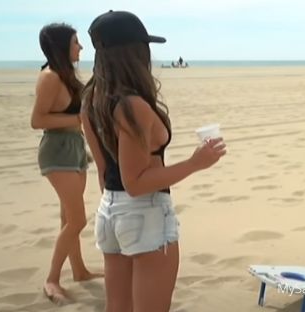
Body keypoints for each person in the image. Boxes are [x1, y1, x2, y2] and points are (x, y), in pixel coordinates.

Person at [82, 10, 226, 311]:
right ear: (134, 52)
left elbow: (106, 170)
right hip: (143, 213)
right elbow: (135, 183)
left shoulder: (92, 98)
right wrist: (195, 163)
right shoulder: (132, 105)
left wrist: (117, 209)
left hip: (109, 210)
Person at [31, 22, 102, 304]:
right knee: (77, 219)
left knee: (67, 217)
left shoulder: (66, 74)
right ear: (63, 46)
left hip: (74, 148)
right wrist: (78, 120)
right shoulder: (49, 77)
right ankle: (52, 280)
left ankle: (80, 271)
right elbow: (37, 120)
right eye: (76, 42)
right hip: (57, 151)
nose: (81, 47)